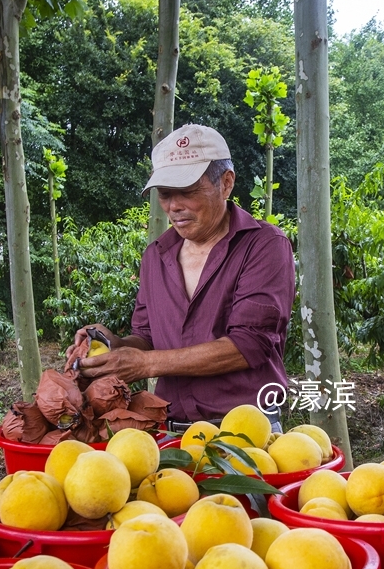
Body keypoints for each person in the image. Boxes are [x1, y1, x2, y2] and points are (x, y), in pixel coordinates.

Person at [73, 124, 296, 433]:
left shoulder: (264, 246)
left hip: (246, 430)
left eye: (188, 192)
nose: (174, 206)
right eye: (165, 194)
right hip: (169, 429)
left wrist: (145, 365)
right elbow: (146, 336)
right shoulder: (156, 255)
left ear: (226, 183)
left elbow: (249, 344)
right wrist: (114, 345)